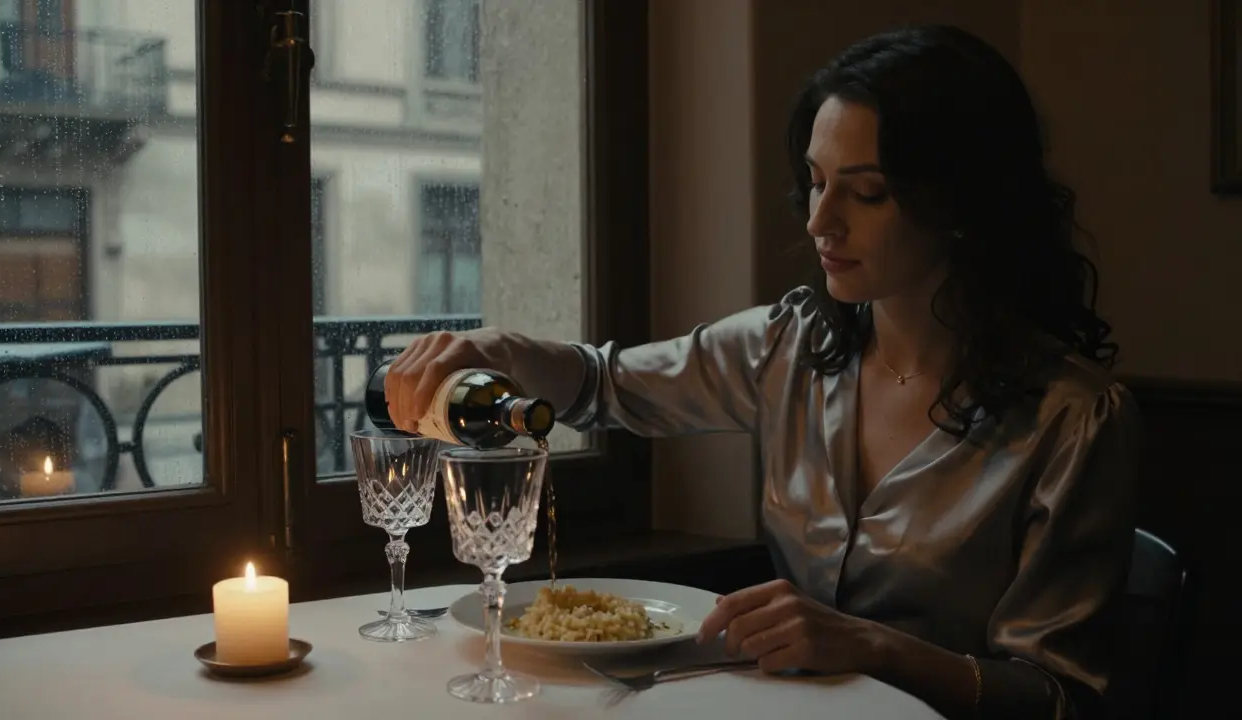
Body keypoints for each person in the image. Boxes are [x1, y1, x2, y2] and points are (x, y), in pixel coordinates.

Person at [385, 25, 1135, 720]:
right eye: (816, 181)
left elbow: (1061, 698)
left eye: (866, 193)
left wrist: (875, 648)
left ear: (960, 202)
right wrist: (499, 349)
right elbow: (604, 385)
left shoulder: (1071, 418)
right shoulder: (790, 347)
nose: (820, 221)